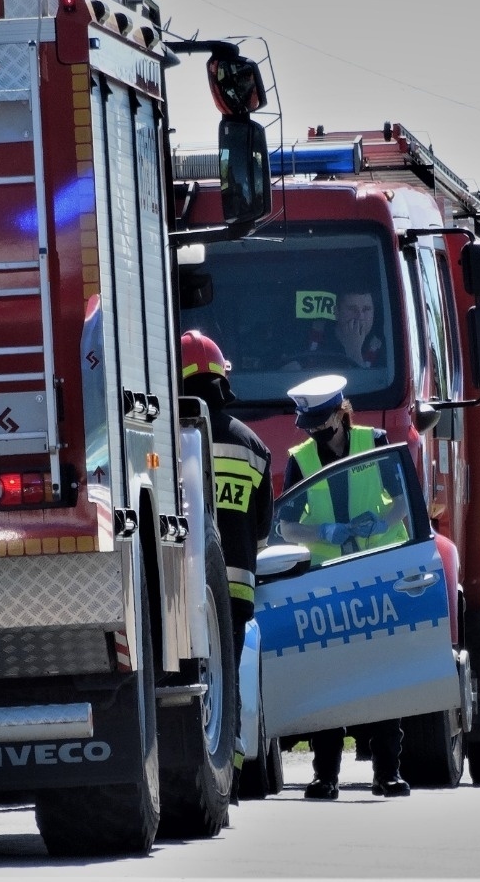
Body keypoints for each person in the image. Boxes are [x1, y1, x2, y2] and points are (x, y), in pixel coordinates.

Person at [278, 374, 411, 799]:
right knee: (329, 679)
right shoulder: (299, 459)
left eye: (323, 424)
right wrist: (324, 532)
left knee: (384, 678)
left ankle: (387, 772)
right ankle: (325, 776)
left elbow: (408, 497)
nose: (316, 433)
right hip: (327, 579)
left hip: (377, 572)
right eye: (310, 426)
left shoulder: (374, 442)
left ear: (341, 414)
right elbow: (285, 525)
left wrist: (385, 523)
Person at [180, 330, 274, 796]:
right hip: (236, 592)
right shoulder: (254, 447)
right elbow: (261, 527)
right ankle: (228, 776)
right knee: (227, 682)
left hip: (180, 589)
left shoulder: (169, 440)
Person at [282, 287, 383, 371]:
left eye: (366, 309)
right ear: (336, 312)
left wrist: (354, 352)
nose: (360, 317)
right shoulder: (307, 335)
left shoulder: (385, 347)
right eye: (352, 309)